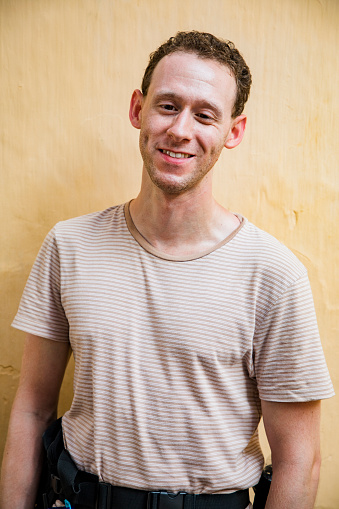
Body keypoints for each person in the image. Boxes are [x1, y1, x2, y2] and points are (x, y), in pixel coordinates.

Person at [0, 31, 334, 509]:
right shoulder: (69, 245)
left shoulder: (274, 274)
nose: (181, 130)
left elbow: (300, 459)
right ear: (138, 109)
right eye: (168, 105)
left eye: (205, 114)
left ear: (233, 132)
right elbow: (31, 410)